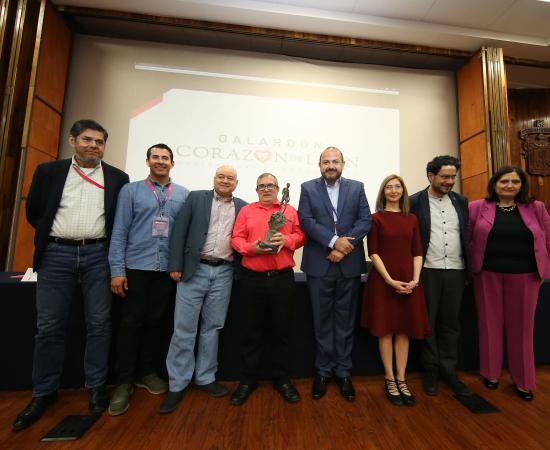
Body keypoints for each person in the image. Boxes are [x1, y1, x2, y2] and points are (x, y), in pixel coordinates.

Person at [13, 120, 129, 432]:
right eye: (87, 139)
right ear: (72, 140)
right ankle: (44, 392)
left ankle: (96, 387)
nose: (94, 146)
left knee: (100, 324)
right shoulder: (48, 172)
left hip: (98, 255)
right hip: (56, 255)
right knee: (49, 326)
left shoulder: (118, 178)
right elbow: (35, 212)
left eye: (99, 142)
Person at [107, 144, 189, 416]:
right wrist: (117, 270)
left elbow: (183, 235)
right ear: (147, 161)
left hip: (166, 271)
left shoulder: (183, 194)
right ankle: (124, 381)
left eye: (165, 158)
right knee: (130, 323)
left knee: (156, 323)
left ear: (172, 163)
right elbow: (119, 231)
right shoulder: (130, 191)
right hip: (135, 268)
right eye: (155, 157)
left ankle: (146, 372)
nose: (160, 161)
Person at [159, 166, 246, 414]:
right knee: (183, 329)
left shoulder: (243, 206)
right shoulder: (196, 197)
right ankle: (178, 383)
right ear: (214, 178)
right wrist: (175, 264)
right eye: (221, 176)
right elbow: (179, 232)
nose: (225, 180)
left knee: (213, 327)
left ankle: (206, 377)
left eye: (230, 178)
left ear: (236, 183)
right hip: (193, 270)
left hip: (224, 272)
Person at [469, 166, 550, 401]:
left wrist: (544, 271)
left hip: (526, 276)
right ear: (494, 184)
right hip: (487, 274)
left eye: (515, 182)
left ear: (521, 185)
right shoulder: (477, 207)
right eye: (504, 181)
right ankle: (491, 374)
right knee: (489, 325)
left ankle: (523, 382)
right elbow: (468, 239)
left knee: (522, 330)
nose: (509, 185)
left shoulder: (536, 208)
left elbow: (547, 241)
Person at [298, 146, 371, 401]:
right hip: (319, 265)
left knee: (345, 322)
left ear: (343, 164)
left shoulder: (357, 187)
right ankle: (322, 372)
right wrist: (333, 242)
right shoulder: (307, 188)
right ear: (320, 165)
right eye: (326, 162)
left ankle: (343, 372)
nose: (331, 166)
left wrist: (343, 247)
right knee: (321, 323)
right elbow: (306, 221)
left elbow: (365, 220)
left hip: (348, 265)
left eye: (335, 161)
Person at [230, 173, 305, 405]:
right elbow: (236, 238)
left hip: (282, 280)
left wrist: (287, 241)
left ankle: (282, 379)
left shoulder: (289, 211)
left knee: (282, 331)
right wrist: (251, 248)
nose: (266, 189)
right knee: (251, 331)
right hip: (252, 280)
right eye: (261, 186)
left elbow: (300, 235)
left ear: (278, 188)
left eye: (270, 185)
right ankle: (248, 380)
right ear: (256, 189)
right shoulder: (246, 211)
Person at [361, 175, 429, 406]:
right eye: (388, 187)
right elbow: (373, 252)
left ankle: (402, 379)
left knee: (403, 331)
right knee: (386, 331)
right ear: (383, 192)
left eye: (397, 186)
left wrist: (415, 280)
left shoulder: (412, 219)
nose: (393, 190)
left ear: (403, 190)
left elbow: (417, 252)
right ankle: (389, 379)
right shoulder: (375, 219)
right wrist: (390, 280)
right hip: (383, 281)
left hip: (409, 281)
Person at [409, 155, 471, 396]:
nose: (449, 181)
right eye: (445, 177)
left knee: (450, 324)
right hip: (428, 270)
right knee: (429, 323)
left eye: (453, 177)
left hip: (456, 270)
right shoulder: (414, 202)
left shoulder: (461, 201)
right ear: (430, 176)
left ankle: (449, 370)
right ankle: (431, 370)